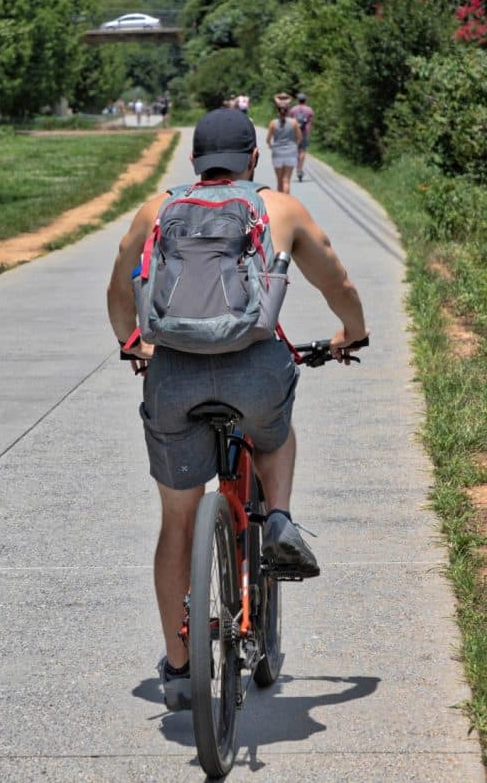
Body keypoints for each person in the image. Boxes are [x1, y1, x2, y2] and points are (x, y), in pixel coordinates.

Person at [107, 108, 368, 712]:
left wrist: (135, 345)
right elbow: (339, 282)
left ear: (194, 161)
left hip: (173, 376)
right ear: (253, 159)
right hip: (255, 368)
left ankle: (179, 669)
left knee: (176, 522)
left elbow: (120, 286)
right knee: (274, 432)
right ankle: (277, 518)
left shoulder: (159, 209)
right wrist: (350, 333)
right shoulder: (279, 208)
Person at [266, 92, 303, 194]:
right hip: (291, 153)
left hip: (277, 153)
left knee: (279, 181)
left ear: (277, 111)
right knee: (286, 180)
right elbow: (300, 137)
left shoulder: (273, 123)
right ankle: (287, 201)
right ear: (288, 111)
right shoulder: (294, 122)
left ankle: (280, 203)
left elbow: (268, 139)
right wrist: (295, 145)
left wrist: (270, 146)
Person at [289, 92, 314, 182]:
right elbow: (311, 121)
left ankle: (297, 167)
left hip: (295, 132)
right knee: (302, 151)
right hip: (305, 132)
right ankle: (300, 169)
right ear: (305, 100)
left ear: (298, 100)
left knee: (295, 150)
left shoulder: (293, 109)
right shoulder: (309, 110)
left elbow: (290, 121)